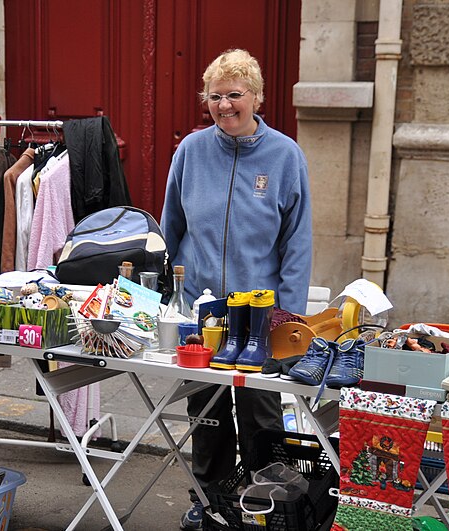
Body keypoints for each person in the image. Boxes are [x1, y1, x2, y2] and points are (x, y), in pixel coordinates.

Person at [159, 49, 312, 530]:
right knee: (205, 417)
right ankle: (212, 506)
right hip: (202, 315)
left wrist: (287, 319)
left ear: (257, 98)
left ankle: (267, 508)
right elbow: (171, 229)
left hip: (259, 316)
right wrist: (170, 295)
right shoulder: (191, 151)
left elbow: (297, 244)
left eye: (235, 95)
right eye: (215, 96)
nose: (224, 105)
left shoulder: (285, 156)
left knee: (261, 418)